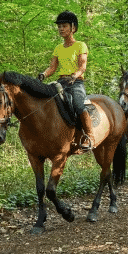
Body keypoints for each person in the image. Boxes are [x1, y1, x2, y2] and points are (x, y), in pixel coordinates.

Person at [38, 10, 94, 152]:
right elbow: (52, 67)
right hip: (61, 82)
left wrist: (75, 76)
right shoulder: (58, 48)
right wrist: (43, 75)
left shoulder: (80, 45)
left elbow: (82, 67)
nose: (61, 29)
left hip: (76, 82)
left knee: (78, 105)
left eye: (64, 26)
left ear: (73, 28)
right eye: (59, 26)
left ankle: (90, 136)